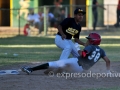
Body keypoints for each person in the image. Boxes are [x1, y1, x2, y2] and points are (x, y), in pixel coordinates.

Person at [21, 32, 111, 75]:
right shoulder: (101, 50)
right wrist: (108, 71)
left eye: (89, 39)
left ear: (92, 41)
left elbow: (82, 55)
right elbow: (108, 61)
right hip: (81, 70)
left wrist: (77, 48)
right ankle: (54, 72)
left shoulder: (90, 46)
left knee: (56, 63)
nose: (87, 40)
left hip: (76, 63)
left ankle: (31, 69)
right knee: (64, 67)